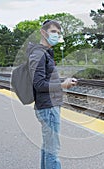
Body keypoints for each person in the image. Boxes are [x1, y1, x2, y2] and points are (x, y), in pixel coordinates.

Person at [27, 20, 77, 169]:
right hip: (48, 107)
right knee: (53, 151)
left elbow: (44, 80)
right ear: (43, 32)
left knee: (48, 147)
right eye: (54, 31)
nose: (56, 35)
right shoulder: (39, 54)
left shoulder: (44, 53)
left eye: (58, 33)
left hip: (49, 105)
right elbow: (39, 84)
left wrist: (62, 82)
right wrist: (63, 85)